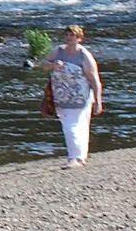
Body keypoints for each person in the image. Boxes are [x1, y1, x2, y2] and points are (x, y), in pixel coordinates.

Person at [44, 25, 104, 168]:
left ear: (79, 38)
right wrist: (53, 65)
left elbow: (95, 80)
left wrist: (98, 101)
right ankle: (80, 157)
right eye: (68, 35)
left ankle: (74, 158)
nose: (69, 38)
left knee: (72, 127)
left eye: (73, 36)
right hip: (61, 96)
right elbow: (43, 64)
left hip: (80, 97)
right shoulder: (58, 51)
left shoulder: (84, 56)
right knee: (74, 126)